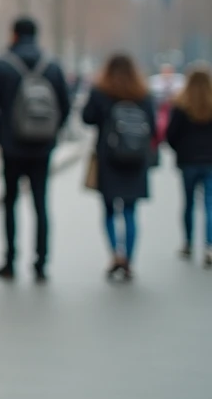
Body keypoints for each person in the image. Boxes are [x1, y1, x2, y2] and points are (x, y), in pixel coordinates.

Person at [0, 17, 71, 283]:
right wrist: (51, 135)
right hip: (42, 148)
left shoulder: (2, 64)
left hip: (12, 147)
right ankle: (41, 262)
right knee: (41, 204)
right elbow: (65, 106)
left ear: (14, 34)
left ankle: (9, 260)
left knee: (10, 203)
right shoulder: (52, 65)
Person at [82, 53, 156, 282]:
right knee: (131, 211)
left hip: (109, 158)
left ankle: (116, 254)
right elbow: (152, 126)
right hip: (136, 160)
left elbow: (87, 117)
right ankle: (129, 259)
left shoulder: (101, 92)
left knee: (109, 210)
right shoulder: (143, 94)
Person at [166, 65, 212, 268]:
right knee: (210, 204)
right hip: (210, 161)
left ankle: (188, 242)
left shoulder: (181, 104)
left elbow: (171, 134)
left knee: (189, 203)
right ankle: (210, 245)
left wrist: (181, 150)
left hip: (188, 160)